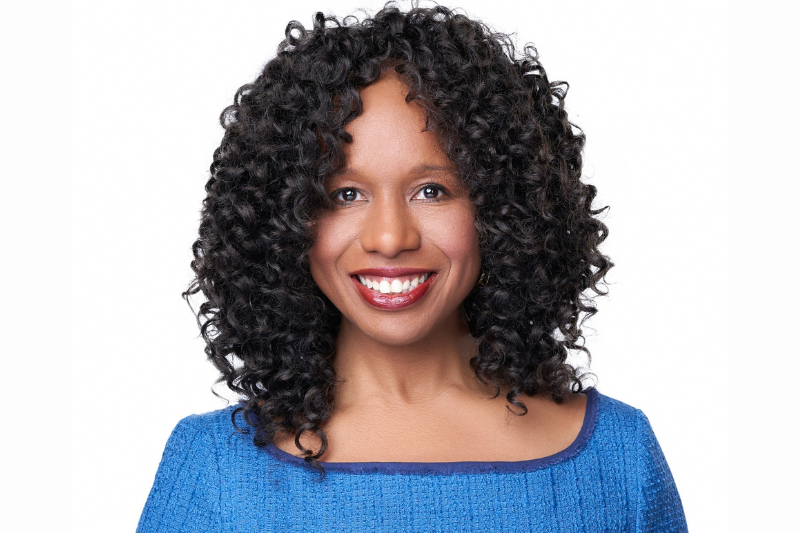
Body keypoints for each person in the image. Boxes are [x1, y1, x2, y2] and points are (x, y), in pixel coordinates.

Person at [136, 2, 687, 531]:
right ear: (283, 219)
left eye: (431, 190)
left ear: (503, 206)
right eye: (345, 194)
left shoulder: (619, 461)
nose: (390, 238)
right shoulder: (212, 470)